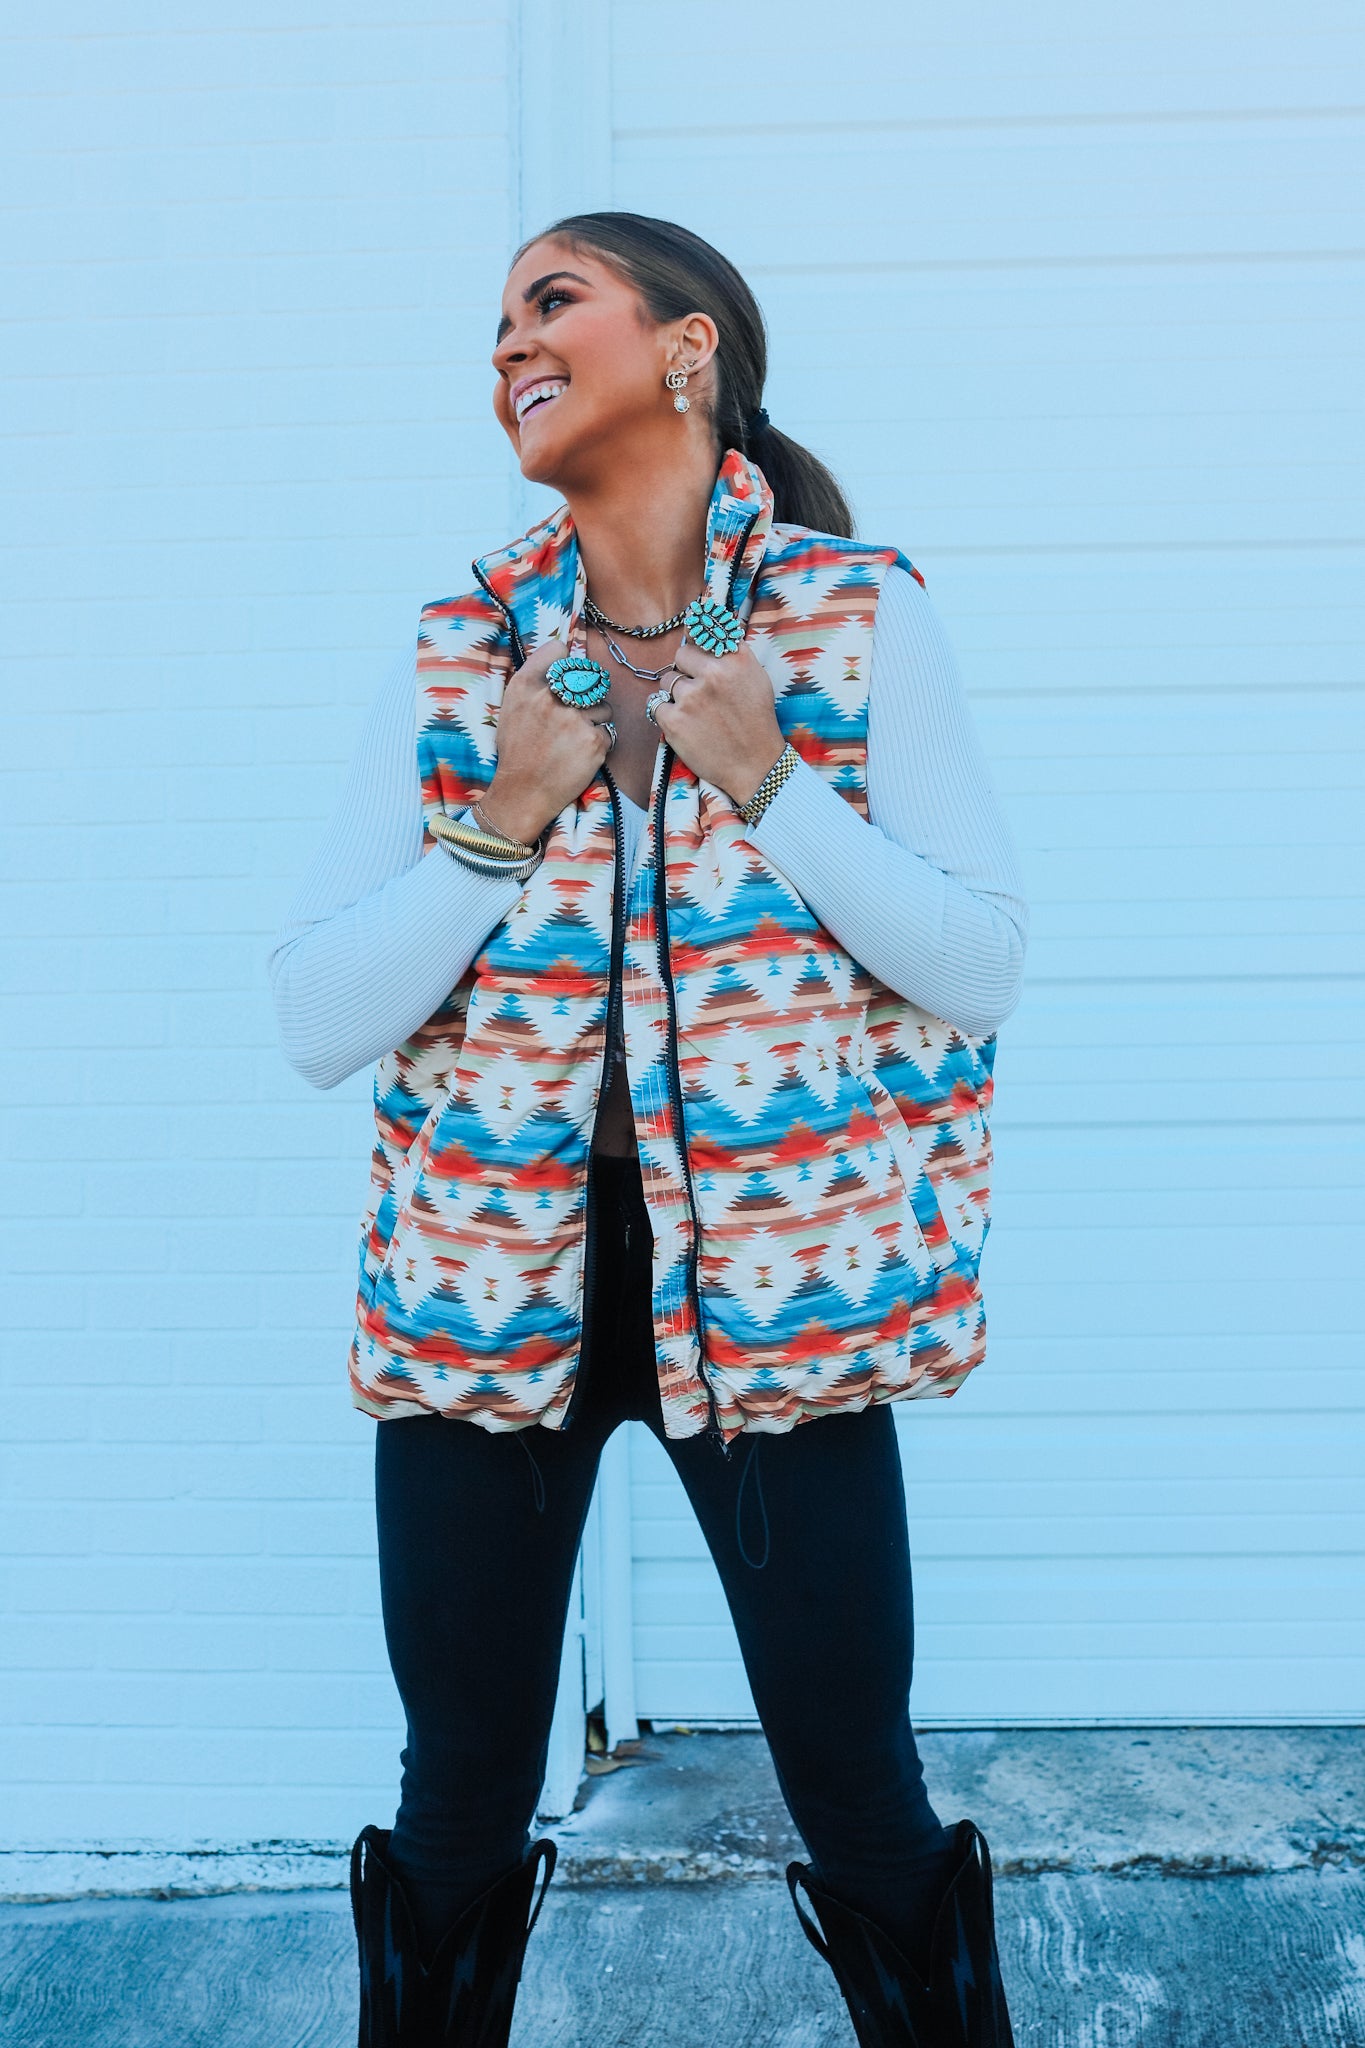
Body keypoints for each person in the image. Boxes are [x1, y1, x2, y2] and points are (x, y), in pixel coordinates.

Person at [268, 210, 1027, 2048]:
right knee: (454, 1811)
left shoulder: (853, 615)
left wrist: (766, 780)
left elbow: (978, 963)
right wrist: (502, 818)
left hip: (775, 1290)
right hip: (485, 1292)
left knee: (861, 1797)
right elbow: (315, 1017)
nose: (509, 345)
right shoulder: (462, 651)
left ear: (688, 350)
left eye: (554, 302)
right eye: (497, 323)